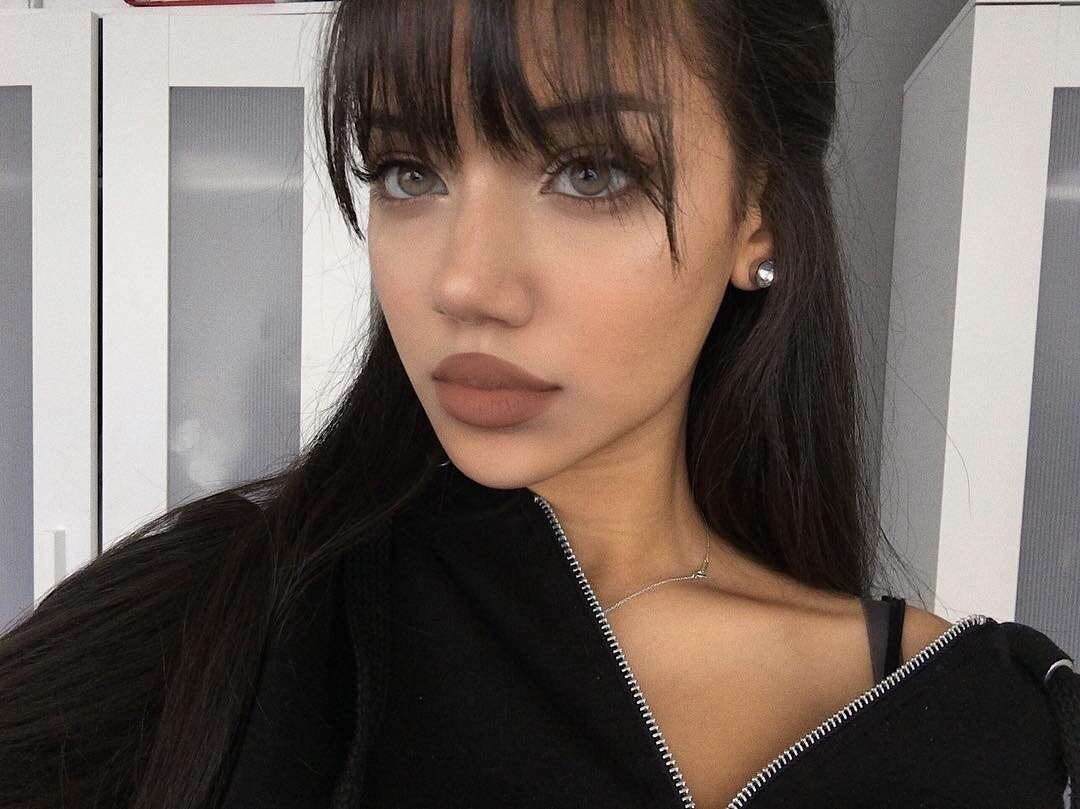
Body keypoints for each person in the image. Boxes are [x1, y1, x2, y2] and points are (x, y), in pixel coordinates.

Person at [1, 0, 1076, 807]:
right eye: (408, 169)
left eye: (591, 172)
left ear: (757, 214)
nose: (464, 282)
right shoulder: (217, 618)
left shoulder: (992, 721)